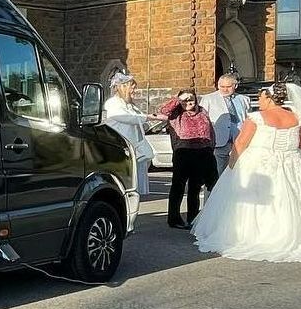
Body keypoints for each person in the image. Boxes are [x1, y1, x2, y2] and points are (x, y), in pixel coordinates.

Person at [191, 82, 301, 262]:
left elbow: (240, 143)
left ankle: (255, 236)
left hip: (258, 162)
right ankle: (295, 236)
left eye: (261, 97)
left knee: (255, 201)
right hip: (292, 161)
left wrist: (232, 167)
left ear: (270, 98)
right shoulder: (296, 117)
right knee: (293, 199)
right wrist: (291, 150)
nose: (259, 101)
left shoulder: (256, 118)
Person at [159, 89, 218, 229]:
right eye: (185, 100)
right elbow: (164, 111)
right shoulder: (177, 112)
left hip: (203, 152)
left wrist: (211, 146)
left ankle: (193, 218)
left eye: (191, 99)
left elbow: (210, 130)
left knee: (195, 187)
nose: (188, 102)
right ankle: (174, 219)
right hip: (183, 151)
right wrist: (179, 100)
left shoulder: (202, 111)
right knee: (178, 186)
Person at [103, 71, 157, 195]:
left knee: (136, 180)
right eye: (132, 87)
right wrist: (148, 117)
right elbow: (125, 118)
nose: (134, 90)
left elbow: (138, 120)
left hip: (135, 147)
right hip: (122, 148)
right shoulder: (112, 103)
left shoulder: (131, 106)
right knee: (126, 185)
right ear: (123, 87)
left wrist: (147, 123)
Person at [200, 72, 251, 175]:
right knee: (215, 176)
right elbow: (202, 122)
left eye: (228, 87)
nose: (224, 89)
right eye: (221, 86)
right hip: (218, 143)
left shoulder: (244, 99)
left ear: (235, 86)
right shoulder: (208, 99)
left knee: (238, 175)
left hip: (238, 143)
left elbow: (246, 120)